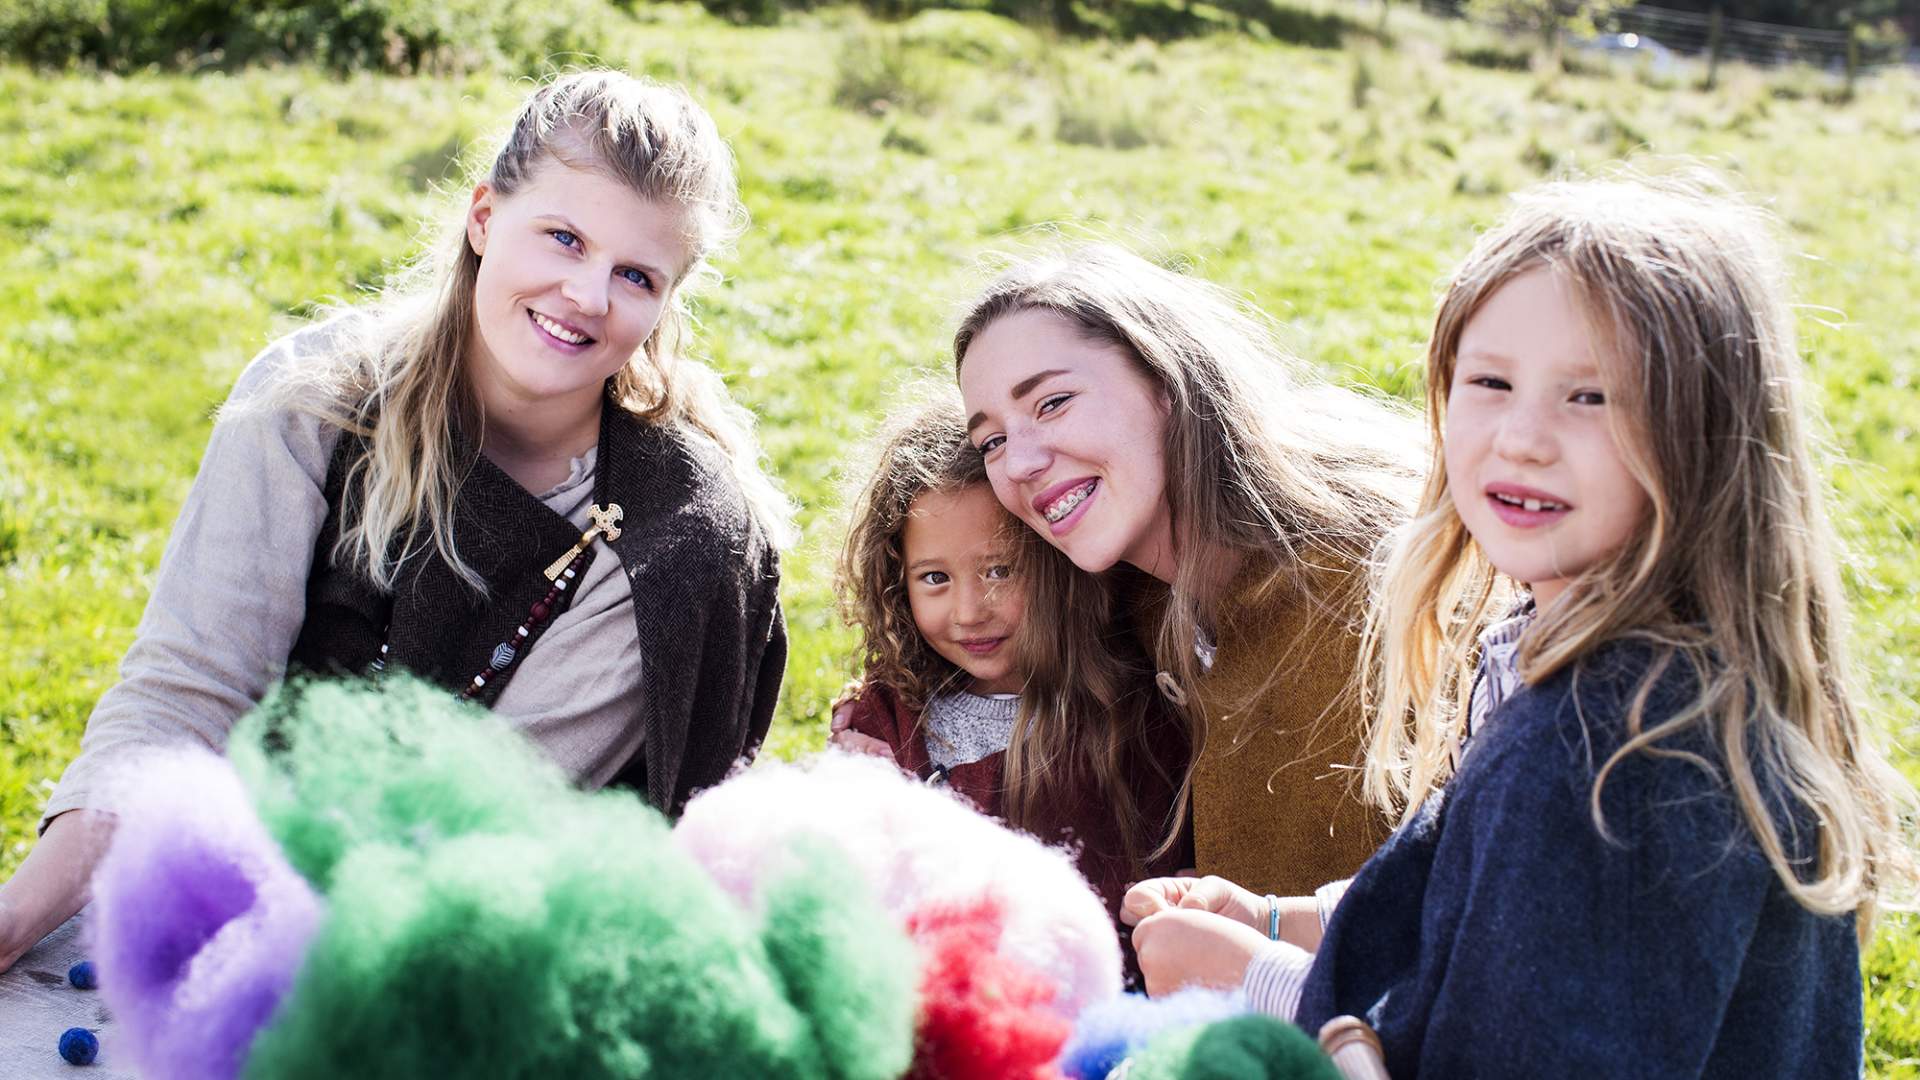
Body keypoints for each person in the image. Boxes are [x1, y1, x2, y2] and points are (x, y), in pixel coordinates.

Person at [1122, 173, 1917, 1076]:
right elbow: (1491, 911)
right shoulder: (1632, 674)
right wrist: (1280, 920)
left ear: (1705, 433)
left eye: (1591, 396)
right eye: (1490, 381)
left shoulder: (1604, 751)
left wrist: (1260, 984)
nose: (1522, 436)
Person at [0, 70, 792, 973]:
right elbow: (187, 693)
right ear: (484, 216)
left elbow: (471, 831)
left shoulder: (675, 539)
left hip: (452, 967)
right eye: (563, 237)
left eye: (636, 275)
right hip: (212, 899)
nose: (586, 294)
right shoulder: (311, 403)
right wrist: (20, 912)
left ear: (666, 301)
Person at [953, 245, 1422, 899]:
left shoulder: (1365, 586)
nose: (1021, 463)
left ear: (1165, 383)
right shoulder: (1133, 604)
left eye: (1053, 402)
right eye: (992, 442)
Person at [828, 396, 1186, 937]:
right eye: (934, 578)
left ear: (1059, 562)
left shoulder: (1125, 717)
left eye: (999, 570)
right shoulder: (887, 713)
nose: (969, 612)